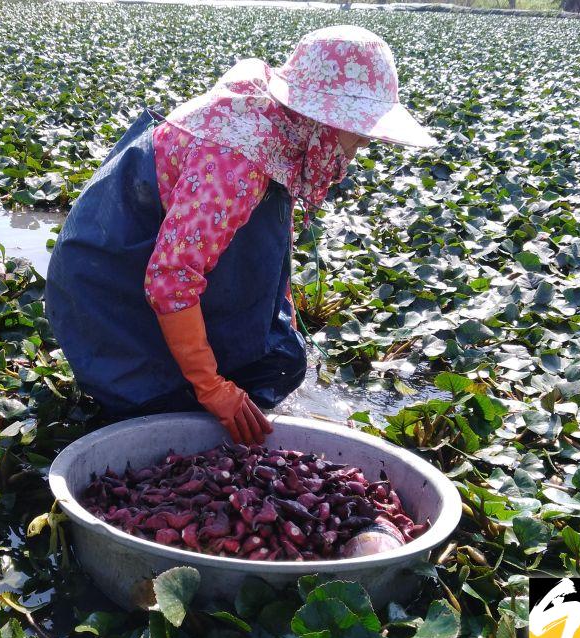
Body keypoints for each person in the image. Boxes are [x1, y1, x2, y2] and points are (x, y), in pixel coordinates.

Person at [45, 25, 437, 445]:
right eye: (358, 137)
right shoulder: (236, 156)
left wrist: (279, 310)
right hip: (108, 276)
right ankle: (166, 393)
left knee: (280, 359)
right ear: (323, 119)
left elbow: (266, 237)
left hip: (163, 250)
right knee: (164, 407)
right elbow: (170, 279)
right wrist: (211, 387)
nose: (358, 149)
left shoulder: (285, 127)